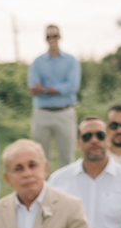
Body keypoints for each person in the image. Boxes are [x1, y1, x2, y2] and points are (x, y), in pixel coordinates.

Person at [29, 25, 82, 170]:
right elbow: (33, 88)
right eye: (49, 36)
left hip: (64, 112)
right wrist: (59, 89)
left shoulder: (71, 61)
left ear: (60, 37)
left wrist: (45, 89)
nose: (52, 39)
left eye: (54, 36)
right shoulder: (37, 62)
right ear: (45, 39)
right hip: (42, 113)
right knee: (40, 158)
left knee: (67, 157)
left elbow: (72, 87)